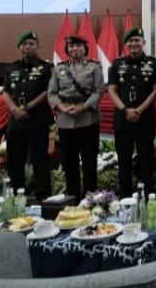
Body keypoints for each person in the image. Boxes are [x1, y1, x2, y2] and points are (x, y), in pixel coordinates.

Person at [107, 27, 156, 198]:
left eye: (137, 40)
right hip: (122, 120)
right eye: (130, 41)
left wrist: (139, 109)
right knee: (123, 161)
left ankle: (148, 196)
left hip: (145, 119)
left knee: (146, 160)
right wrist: (125, 110)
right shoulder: (117, 64)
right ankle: (125, 197)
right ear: (126, 44)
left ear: (143, 42)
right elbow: (111, 90)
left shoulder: (154, 64)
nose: (134, 44)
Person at [47, 35, 103, 199]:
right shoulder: (60, 68)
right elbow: (51, 93)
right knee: (69, 161)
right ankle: (72, 196)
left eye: (78, 45)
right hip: (66, 119)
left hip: (87, 118)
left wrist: (83, 107)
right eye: (71, 46)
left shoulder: (94, 67)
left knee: (89, 160)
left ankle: (90, 197)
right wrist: (62, 108)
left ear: (85, 49)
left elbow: (98, 91)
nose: (74, 49)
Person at [2, 31, 54, 200]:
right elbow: (6, 92)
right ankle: (16, 194)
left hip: (37, 119)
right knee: (15, 160)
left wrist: (27, 108)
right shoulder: (11, 68)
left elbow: (48, 91)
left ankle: (43, 196)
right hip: (16, 121)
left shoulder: (46, 68)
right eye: (24, 44)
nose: (28, 47)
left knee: (40, 159)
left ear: (37, 46)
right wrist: (15, 110)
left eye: (31, 44)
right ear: (19, 47)